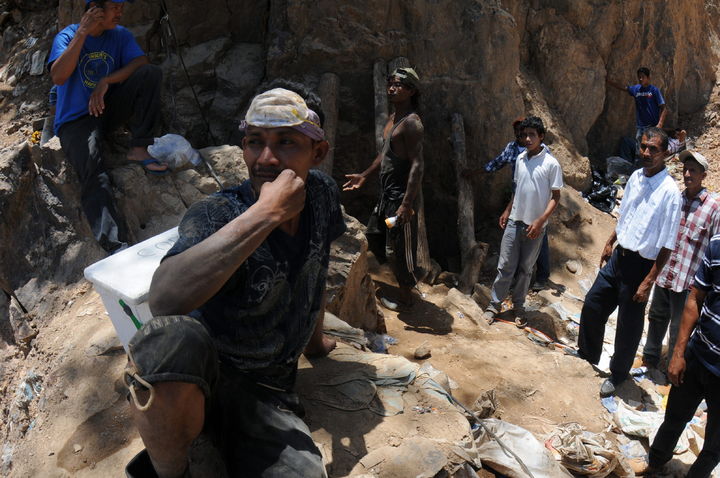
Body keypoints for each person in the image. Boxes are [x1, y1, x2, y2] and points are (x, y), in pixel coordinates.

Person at [123, 87, 344, 478]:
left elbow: (315, 269)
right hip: (202, 376)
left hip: (267, 395)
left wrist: (316, 343)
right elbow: (165, 300)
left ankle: (212, 443)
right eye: (255, 142)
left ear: (318, 152)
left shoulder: (323, 194)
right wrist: (266, 214)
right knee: (168, 337)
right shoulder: (218, 213)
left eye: (286, 142)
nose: (266, 159)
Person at [48, 0, 166, 253]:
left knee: (150, 74)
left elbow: (140, 62)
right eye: (115, 6)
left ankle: (139, 148)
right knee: (93, 169)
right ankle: (115, 246)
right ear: (95, 9)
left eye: (122, 6)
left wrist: (107, 81)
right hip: (75, 119)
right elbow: (58, 76)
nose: (120, 12)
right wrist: (82, 33)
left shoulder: (119, 35)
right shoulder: (67, 36)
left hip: (106, 109)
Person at [577, 127, 682, 397]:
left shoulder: (670, 193)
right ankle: (587, 356)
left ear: (665, 153)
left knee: (628, 326)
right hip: (619, 256)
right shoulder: (636, 177)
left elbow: (668, 244)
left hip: (641, 267)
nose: (646, 152)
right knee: (593, 304)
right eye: (643, 146)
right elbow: (625, 214)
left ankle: (618, 374)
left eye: (653, 149)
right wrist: (610, 241)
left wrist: (649, 281)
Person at [343, 67, 424, 310]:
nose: (392, 88)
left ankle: (407, 297)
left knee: (399, 247)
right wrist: (364, 175)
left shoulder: (412, 123)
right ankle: (399, 281)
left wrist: (406, 205)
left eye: (398, 85)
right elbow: (385, 153)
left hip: (400, 200)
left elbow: (418, 165)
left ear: (411, 91)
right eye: (390, 83)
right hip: (387, 196)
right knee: (375, 236)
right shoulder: (393, 118)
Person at [645, 234, 720, 477]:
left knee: (714, 447)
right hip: (697, 357)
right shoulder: (717, 245)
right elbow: (695, 298)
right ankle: (654, 465)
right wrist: (678, 354)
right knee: (674, 419)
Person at [642, 151, 720, 371]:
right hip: (665, 272)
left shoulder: (713, 208)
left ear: (703, 176)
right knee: (657, 316)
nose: (687, 174)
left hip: (688, 282)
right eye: (685, 169)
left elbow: (715, 247)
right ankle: (649, 358)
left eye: (693, 170)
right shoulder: (676, 200)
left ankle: (672, 369)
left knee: (679, 327)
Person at [482, 116, 563, 327]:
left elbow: (556, 197)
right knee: (505, 266)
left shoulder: (551, 164)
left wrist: (541, 221)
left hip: (535, 227)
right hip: (514, 222)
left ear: (541, 136)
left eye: (532, 135)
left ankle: (518, 307)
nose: (527, 139)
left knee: (526, 269)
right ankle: (494, 305)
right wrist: (508, 210)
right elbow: (517, 189)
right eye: (524, 135)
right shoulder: (520, 159)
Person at [463, 118, 553, 291]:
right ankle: (515, 279)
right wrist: (474, 172)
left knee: (539, 238)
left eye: (527, 133)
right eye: (520, 132)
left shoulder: (542, 152)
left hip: (536, 201)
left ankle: (542, 277)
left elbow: (551, 185)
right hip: (517, 199)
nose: (523, 136)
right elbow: (496, 164)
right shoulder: (512, 149)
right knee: (516, 239)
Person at [607, 67, 667, 146]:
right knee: (639, 149)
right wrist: (608, 81)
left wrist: (660, 124)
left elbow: (664, 108)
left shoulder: (654, 90)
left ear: (648, 78)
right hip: (640, 128)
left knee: (651, 148)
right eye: (639, 77)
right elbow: (624, 88)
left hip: (652, 127)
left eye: (643, 77)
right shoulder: (636, 89)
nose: (640, 79)